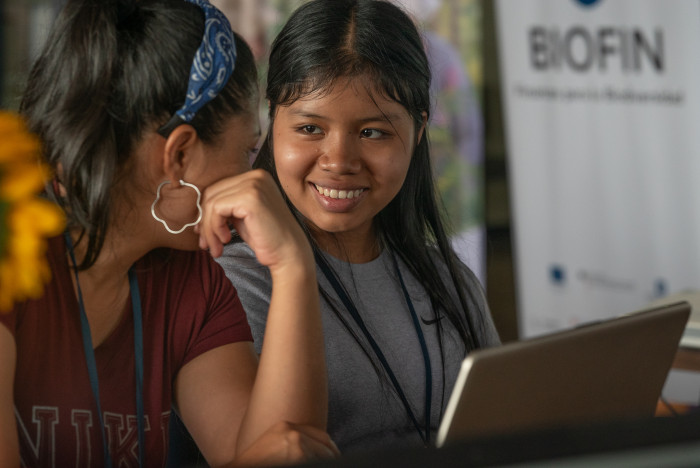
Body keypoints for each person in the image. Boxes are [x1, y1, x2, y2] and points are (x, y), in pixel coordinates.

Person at [0, 0, 338, 466]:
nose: (255, 179)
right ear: (179, 157)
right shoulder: (8, 254)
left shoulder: (193, 283)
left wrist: (295, 264)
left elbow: (287, 449)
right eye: (247, 151)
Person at [216, 0, 501, 454]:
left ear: (419, 130)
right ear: (273, 118)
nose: (339, 162)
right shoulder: (230, 285)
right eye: (310, 128)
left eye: (373, 133)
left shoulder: (451, 282)